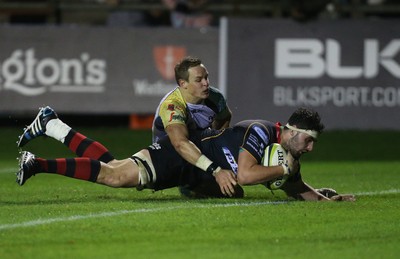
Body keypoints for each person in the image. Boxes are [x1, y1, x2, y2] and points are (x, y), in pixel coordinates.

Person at [17, 106, 355, 201]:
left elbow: (296, 185)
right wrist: (281, 173)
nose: (310, 148)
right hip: (182, 157)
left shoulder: (286, 154)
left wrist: (325, 200)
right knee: (116, 176)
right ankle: (37, 163)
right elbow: (246, 175)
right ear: (292, 131)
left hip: (191, 173)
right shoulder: (261, 131)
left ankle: (52, 125)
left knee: (112, 164)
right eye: (308, 141)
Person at [152, 56, 235, 196]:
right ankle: (188, 181)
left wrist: (218, 144)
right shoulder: (172, 105)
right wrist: (216, 170)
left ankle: (193, 182)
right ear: (183, 83)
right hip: (168, 158)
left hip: (197, 150)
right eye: (198, 80)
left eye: (206, 77)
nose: (206, 83)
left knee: (234, 192)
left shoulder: (215, 98)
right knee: (117, 177)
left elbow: (225, 117)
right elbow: (180, 143)